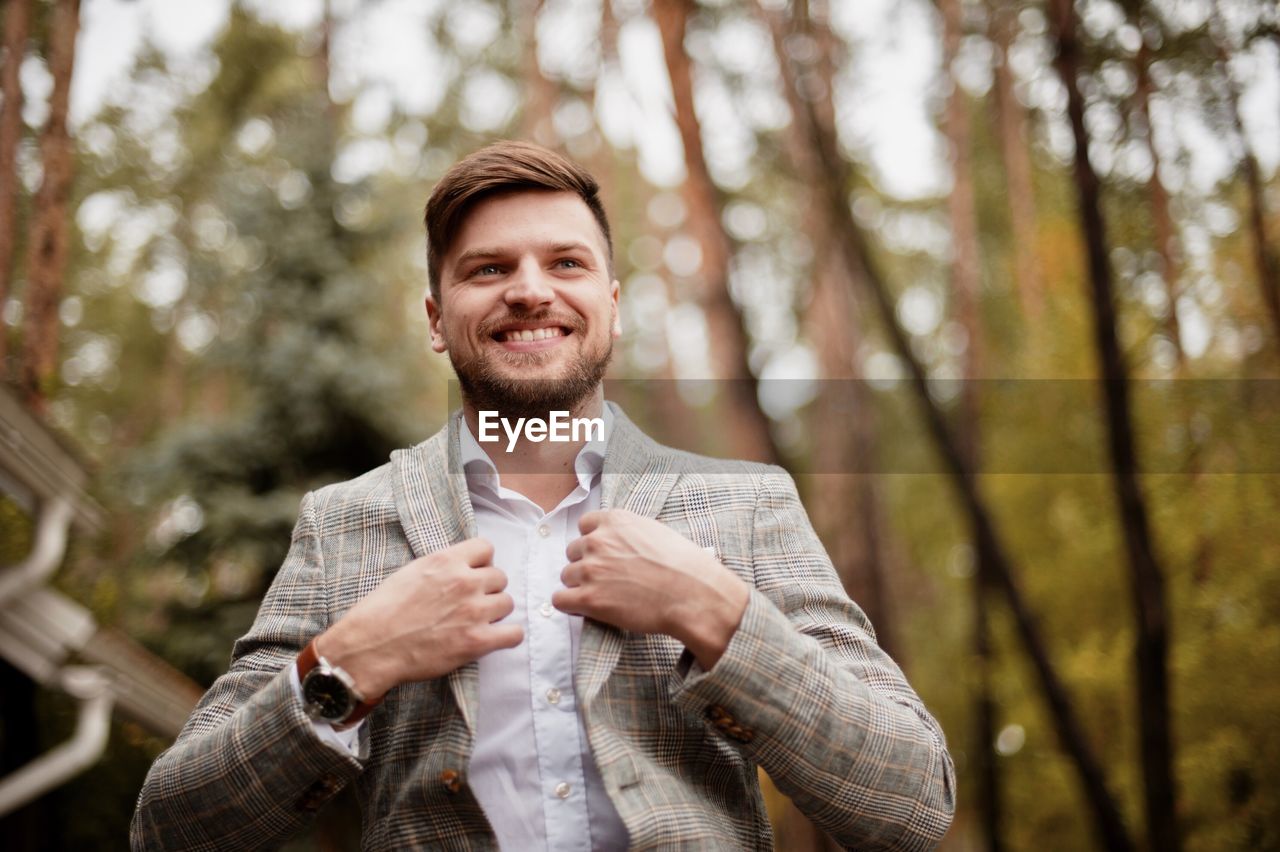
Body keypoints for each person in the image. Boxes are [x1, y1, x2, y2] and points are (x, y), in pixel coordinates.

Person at [131, 141, 955, 851]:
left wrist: (719, 615)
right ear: (434, 316)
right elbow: (172, 828)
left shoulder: (745, 505)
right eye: (488, 269)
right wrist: (350, 663)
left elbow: (913, 806)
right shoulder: (346, 524)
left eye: (566, 263)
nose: (530, 291)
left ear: (613, 306)